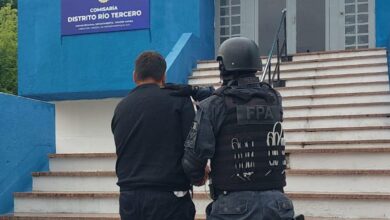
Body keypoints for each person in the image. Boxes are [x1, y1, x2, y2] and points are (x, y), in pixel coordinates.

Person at [182, 37, 296, 220]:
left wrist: (197, 177)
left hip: (233, 206)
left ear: (223, 67)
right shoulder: (274, 98)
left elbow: (193, 159)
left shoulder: (214, 105)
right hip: (278, 204)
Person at [111, 51, 196, 220]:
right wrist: (199, 174)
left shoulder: (121, 107)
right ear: (163, 76)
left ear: (134, 76)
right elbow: (193, 147)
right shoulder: (179, 101)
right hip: (169, 197)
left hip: (129, 199)